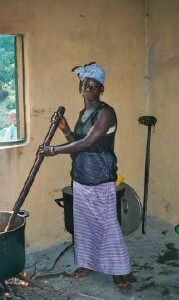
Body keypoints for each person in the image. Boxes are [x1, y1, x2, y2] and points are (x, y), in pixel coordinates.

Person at [38, 62, 132, 293]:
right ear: (81, 87)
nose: (88, 87)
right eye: (85, 83)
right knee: (85, 227)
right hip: (81, 178)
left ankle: (120, 272)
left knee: (107, 227)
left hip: (100, 179)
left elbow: (89, 142)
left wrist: (53, 151)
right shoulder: (84, 114)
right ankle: (88, 264)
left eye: (94, 84)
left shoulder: (106, 112)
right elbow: (76, 142)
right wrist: (65, 127)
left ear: (101, 89)